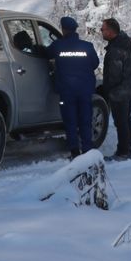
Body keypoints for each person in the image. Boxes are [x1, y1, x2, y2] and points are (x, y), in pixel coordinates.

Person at [45, 16, 100, 159]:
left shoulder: (58, 46)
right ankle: (87, 148)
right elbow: (95, 63)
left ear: (63, 30)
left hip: (66, 90)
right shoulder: (87, 46)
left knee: (70, 120)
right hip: (85, 89)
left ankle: (74, 150)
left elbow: (44, 54)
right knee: (85, 119)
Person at [100, 18, 131, 160]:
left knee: (121, 122)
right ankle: (129, 147)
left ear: (110, 32)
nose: (101, 31)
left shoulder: (116, 49)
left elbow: (114, 74)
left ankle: (124, 152)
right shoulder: (124, 42)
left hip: (120, 91)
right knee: (126, 120)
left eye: (102, 29)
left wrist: (108, 91)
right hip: (130, 88)